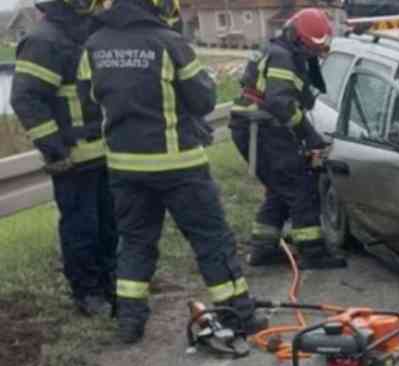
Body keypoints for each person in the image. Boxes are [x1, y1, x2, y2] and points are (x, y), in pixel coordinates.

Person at [78, 0, 265, 344]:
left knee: (135, 242)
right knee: (211, 239)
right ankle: (239, 313)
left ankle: (129, 323)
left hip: (124, 166)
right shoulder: (169, 42)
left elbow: (89, 105)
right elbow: (204, 99)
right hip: (179, 165)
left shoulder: (94, 44)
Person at [11, 0, 116, 317]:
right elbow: (25, 97)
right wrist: (55, 149)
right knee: (81, 230)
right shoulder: (44, 40)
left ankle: (112, 285)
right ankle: (88, 294)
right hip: (73, 159)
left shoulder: (95, 33)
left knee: (111, 227)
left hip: (107, 154)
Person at [229, 8, 347, 270]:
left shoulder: (279, 49)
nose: (312, 54)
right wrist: (310, 135)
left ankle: (263, 248)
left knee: (280, 189)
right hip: (261, 129)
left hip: (254, 127)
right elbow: (280, 102)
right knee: (300, 188)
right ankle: (312, 253)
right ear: (297, 38)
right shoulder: (283, 57)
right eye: (309, 48)